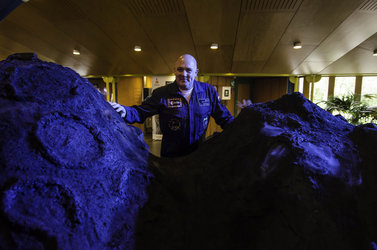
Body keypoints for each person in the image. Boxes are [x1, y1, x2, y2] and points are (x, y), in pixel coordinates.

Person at [110, 54, 234, 157]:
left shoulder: (208, 91)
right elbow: (140, 112)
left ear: (196, 72)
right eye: (180, 69)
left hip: (198, 157)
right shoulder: (162, 93)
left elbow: (225, 119)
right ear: (174, 70)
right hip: (171, 158)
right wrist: (125, 111)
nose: (183, 74)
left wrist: (244, 126)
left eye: (188, 70)